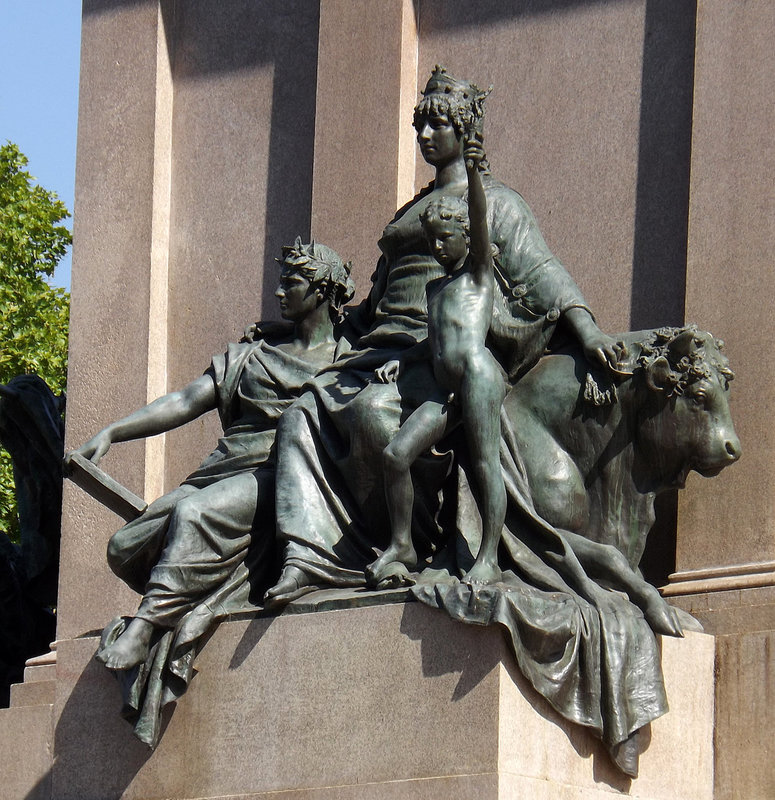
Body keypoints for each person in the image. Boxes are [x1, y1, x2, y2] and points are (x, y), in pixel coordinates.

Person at [265, 66, 618, 606]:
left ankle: (419, 543)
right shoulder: (409, 213)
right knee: (299, 413)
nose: (425, 137)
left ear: (464, 130)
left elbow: (543, 273)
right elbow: (367, 308)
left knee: (373, 417)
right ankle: (304, 555)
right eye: (420, 126)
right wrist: (283, 332)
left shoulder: (496, 204)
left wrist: (588, 332)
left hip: (432, 359)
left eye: (437, 125)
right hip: (381, 349)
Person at [68, 239, 354, 672]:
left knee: (194, 515)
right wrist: (113, 432)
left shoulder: (348, 361)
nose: (278, 293)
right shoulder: (250, 356)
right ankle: (189, 586)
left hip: (282, 476)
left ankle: (145, 627)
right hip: (221, 471)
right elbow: (184, 401)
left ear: (321, 290)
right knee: (125, 546)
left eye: (290, 283)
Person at [368, 132, 508, 587]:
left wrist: (471, 173)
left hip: (478, 376)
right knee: (395, 455)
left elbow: (482, 217)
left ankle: (487, 556)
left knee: (487, 463)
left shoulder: (479, 273)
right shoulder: (434, 289)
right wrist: (403, 360)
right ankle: (402, 545)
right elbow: (434, 343)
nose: (439, 250)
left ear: (466, 238)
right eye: (432, 243)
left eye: (446, 240)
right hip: (445, 386)